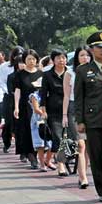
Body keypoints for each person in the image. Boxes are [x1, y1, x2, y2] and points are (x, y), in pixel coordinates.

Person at [75, 31, 102, 203]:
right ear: (92, 49)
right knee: (97, 156)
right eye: (99, 48)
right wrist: (80, 120)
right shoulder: (83, 70)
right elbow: (79, 97)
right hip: (94, 119)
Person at [39, 48, 71, 176]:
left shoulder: (70, 73)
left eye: (63, 57)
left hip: (70, 109)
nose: (61, 60)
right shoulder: (47, 75)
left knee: (69, 138)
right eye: (58, 58)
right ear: (53, 60)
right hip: (53, 110)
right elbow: (43, 93)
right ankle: (61, 164)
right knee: (58, 137)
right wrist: (43, 110)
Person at [63, 46, 91, 188]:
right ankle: (83, 177)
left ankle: (83, 172)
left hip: (91, 109)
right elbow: (67, 96)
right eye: (82, 55)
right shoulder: (70, 73)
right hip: (74, 109)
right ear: (76, 57)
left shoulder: (94, 72)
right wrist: (64, 115)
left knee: (87, 146)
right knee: (80, 144)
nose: (85, 58)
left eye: (87, 55)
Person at [13, 49, 43, 169]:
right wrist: (16, 107)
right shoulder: (19, 75)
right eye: (29, 59)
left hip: (39, 107)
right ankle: (31, 157)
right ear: (24, 60)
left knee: (39, 130)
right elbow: (17, 91)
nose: (31, 61)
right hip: (25, 107)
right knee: (26, 132)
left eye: (34, 59)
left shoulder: (41, 74)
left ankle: (38, 154)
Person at [1, 47, 24, 154]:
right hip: (8, 97)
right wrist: (10, 92)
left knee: (20, 123)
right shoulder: (4, 67)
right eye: (17, 55)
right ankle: (7, 142)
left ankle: (22, 148)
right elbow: (2, 82)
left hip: (22, 99)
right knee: (9, 122)